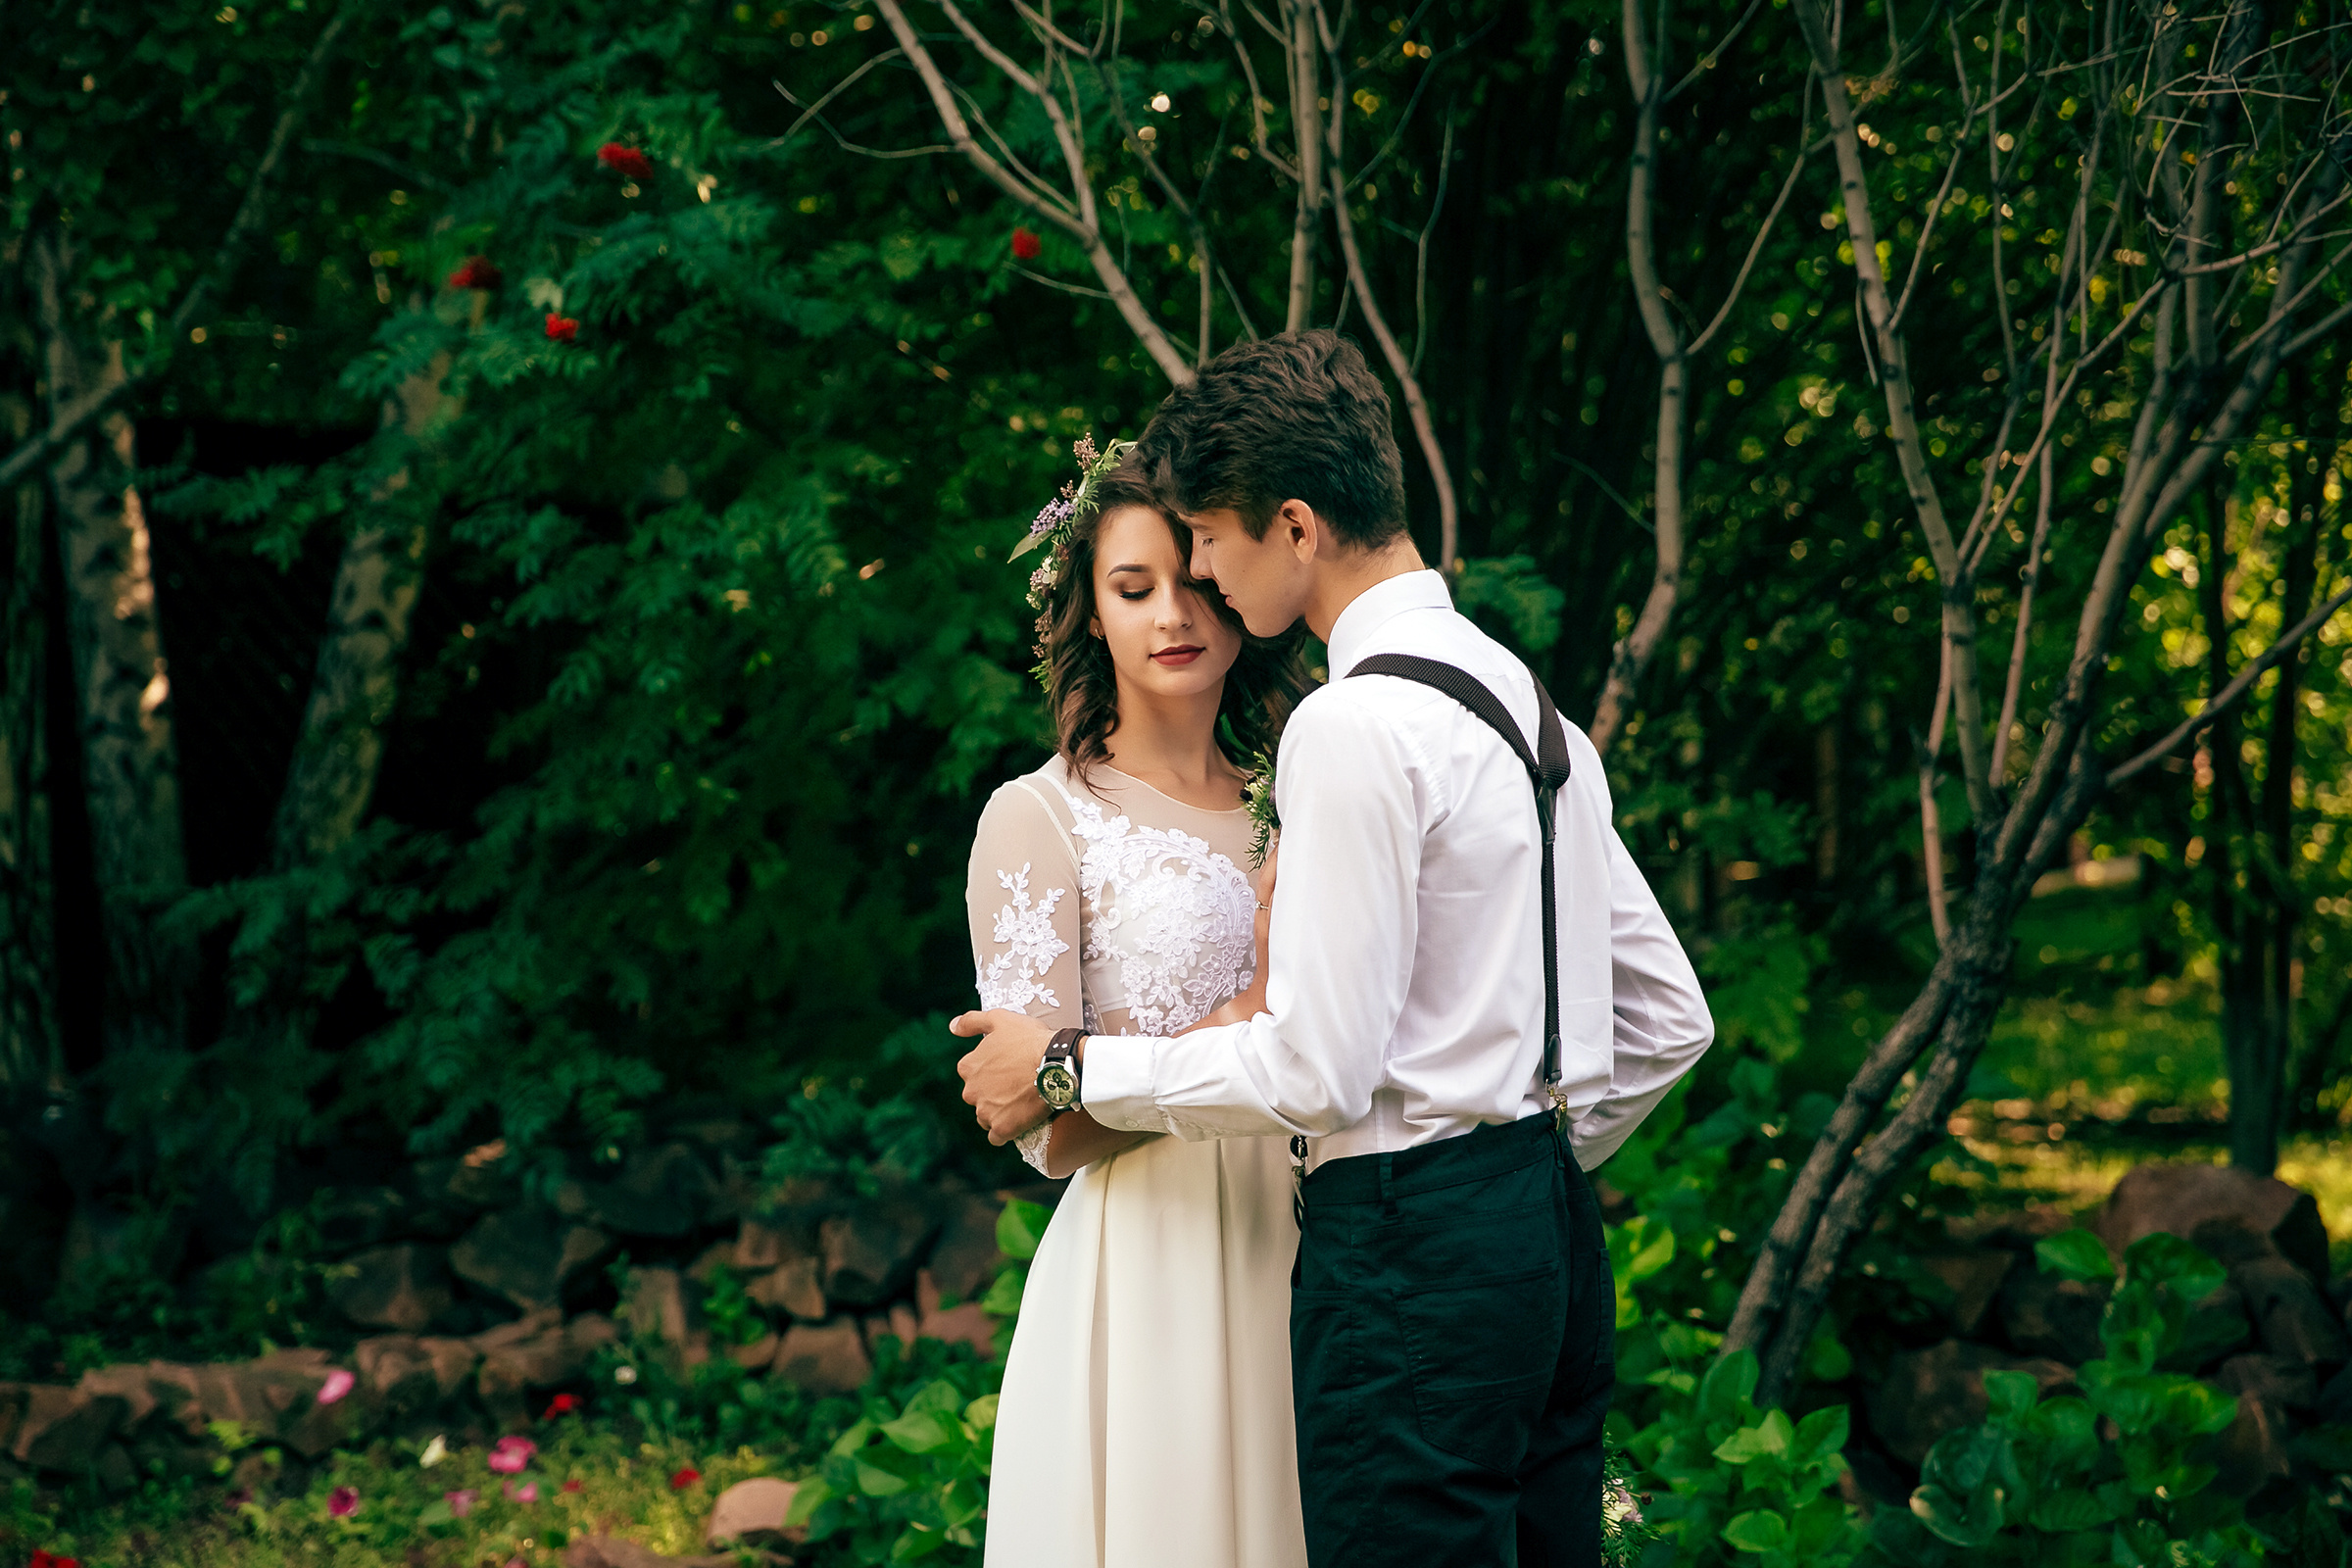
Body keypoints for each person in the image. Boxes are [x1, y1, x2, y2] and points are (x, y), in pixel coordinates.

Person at [955, 331, 1715, 1568]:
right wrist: (1510, 1165)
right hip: (1533, 1237)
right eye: (1146, 576)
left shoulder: (1350, 727)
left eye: (1210, 541)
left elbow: (1315, 1068)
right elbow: (1672, 1017)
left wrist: (1069, 1064)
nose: (1201, 575)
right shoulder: (1527, 708)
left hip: (1401, 1246)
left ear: (1296, 527)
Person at [963, 441, 1315, 1567]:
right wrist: (1248, 1022)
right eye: (1133, 587)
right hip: (1151, 1266)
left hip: (1316, 1242)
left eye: (1196, 581)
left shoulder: (1301, 796)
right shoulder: (1039, 817)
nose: (1174, 614)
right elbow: (1046, 1130)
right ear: (1090, 612)